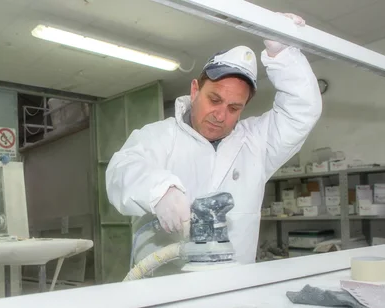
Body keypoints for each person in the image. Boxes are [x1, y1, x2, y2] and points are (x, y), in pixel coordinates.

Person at [106, 13, 323, 276]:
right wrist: (158, 190)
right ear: (195, 90)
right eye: (215, 100)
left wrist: (284, 57)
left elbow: (301, 112)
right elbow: (121, 171)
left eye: (234, 107)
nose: (220, 115)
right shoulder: (160, 136)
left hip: (231, 290)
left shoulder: (256, 143)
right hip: (163, 290)